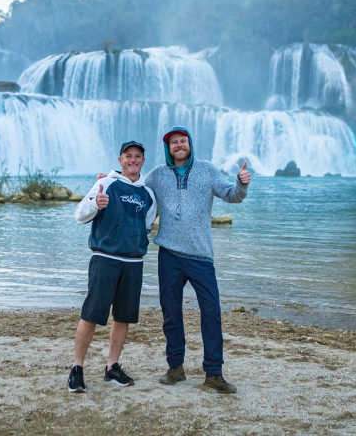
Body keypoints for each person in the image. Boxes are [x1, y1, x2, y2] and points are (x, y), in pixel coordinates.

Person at [146, 127, 250, 394]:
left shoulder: (207, 170)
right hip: (169, 254)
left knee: (212, 313)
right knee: (171, 313)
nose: (179, 145)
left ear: (189, 144)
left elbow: (232, 196)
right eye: (174, 142)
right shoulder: (156, 175)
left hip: (201, 256)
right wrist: (109, 182)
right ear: (168, 148)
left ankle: (214, 373)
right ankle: (175, 368)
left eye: (183, 141)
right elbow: (136, 192)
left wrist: (241, 183)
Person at [68, 140, 157, 393]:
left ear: (143, 160)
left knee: (123, 317)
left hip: (133, 262)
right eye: (128, 156)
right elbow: (79, 214)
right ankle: (77, 369)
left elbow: (147, 226)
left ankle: (112, 367)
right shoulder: (106, 183)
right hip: (105, 259)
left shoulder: (148, 194)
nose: (133, 160)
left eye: (137, 156)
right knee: (91, 314)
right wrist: (95, 204)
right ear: (120, 160)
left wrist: (136, 243)